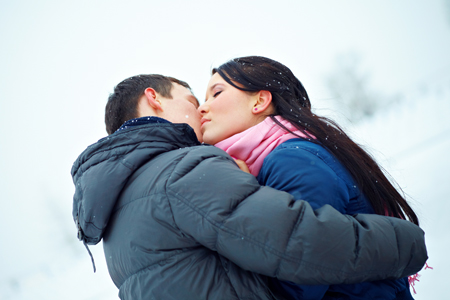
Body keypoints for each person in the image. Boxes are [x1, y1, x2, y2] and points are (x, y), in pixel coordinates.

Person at [71, 74, 427, 300]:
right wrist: (403, 243)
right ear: (154, 98)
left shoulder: (114, 217)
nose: (202, 111)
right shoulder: (181, 171)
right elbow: (298, 244)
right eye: (193, 101)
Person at [199, 56, 421, 299]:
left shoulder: (292, 160)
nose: (202, 107)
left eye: (216, 93)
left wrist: (245, 195)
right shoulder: (289, 154)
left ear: (260, 101)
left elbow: (300, 278)